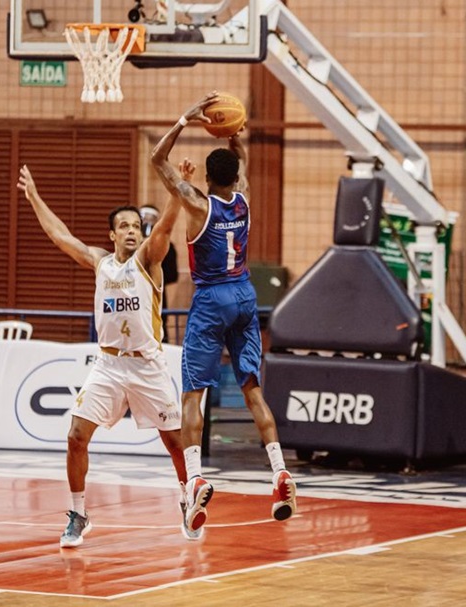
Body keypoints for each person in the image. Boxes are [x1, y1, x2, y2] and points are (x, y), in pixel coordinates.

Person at [17, 164, 196, 546]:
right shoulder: (101, 263)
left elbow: (164, 226)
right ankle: (79, 514)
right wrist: (34, 197)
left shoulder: (149, 260)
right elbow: (59, 235)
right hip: (109, 364)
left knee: (175, 443)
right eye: (125, 226)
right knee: (75, 436)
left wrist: (177, 190)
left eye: (137, 226)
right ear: (113, 234)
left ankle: (187, 500)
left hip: (147, 364)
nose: (133, 231)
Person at [151, 91, 297, 536]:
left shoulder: (199, 204)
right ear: (234, 175)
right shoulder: (245, 199)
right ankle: (279, 473)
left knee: (193, 393)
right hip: (245, 296)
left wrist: (185, 119)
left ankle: (194, 477)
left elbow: (159, 161)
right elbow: (243, 160)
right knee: (252, 389)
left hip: (212, 299)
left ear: (209, 179)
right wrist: (233, 133)